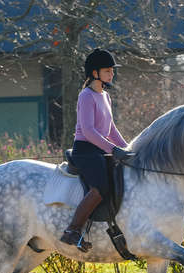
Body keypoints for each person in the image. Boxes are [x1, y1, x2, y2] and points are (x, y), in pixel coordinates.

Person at [60, 48, 134, 252]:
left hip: (100, 149)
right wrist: (113, 149)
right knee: (100, 189)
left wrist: (127, 148)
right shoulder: (86, 96)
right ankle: (72, 231)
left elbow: (110, 129)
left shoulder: (106, 96)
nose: (112, 74)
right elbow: (89, 131)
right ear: (95, 73)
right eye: (107, 70)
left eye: (112, 70)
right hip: (85, 150)